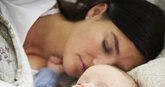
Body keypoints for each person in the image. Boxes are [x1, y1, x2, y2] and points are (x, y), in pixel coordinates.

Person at [0, 0, 164, 78]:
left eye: (115, 68)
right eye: (106, 46)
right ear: (96, 12)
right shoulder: (31, 3)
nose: (98, 65)